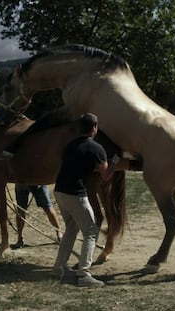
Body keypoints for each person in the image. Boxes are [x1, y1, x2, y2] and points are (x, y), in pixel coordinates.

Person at [52, 113, 129, 287]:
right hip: (76, 194)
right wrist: (115, 161)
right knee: (91, 232)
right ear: (94, 127)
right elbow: (106, 176)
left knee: (71, 228)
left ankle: (59, 267)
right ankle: (84, 274)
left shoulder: (69, 145)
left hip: (59, 191)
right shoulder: (97, 149)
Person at [12, 184, 62, 248]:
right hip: (21, 182)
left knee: (48, 208)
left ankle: (59, 233)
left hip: (38, 182)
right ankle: (19, 238)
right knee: (20, 211)